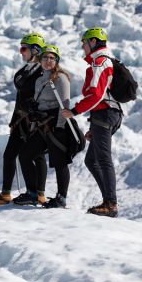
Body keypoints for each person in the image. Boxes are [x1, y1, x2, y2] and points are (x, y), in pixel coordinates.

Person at [61, 27, 123, 217]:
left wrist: (74, 111)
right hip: (103, 115)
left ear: (93, 42)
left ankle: (110, 204)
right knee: (91, 160)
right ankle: (108, 201)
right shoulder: (102, 62)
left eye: (84, 42)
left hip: (105, 114)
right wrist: (92, 127)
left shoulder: (100, 62)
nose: (82, 46)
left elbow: (96, 94)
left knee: (103, 159)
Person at [0, 33, 47, 207]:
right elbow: (20, 98)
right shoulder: (25, 71)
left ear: (35, 50)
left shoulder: (43, 72)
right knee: (10, 154)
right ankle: (6, 194)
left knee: (38, 156)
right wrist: (13, 121)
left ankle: (39, 194)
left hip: (34, 120)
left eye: (24, 48)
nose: (21, 52)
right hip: (20, 120)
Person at [17, 44, 79, 209]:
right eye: (45, 57)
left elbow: (64, 105)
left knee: (60, 162)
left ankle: (61, 198)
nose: (48, 60)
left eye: (52, 58)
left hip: (56, 124)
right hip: (42, 125)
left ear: (56, 61)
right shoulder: (39, 79)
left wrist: (59, 127)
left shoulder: (61, 78)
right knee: (25, 155)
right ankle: (32, 193)